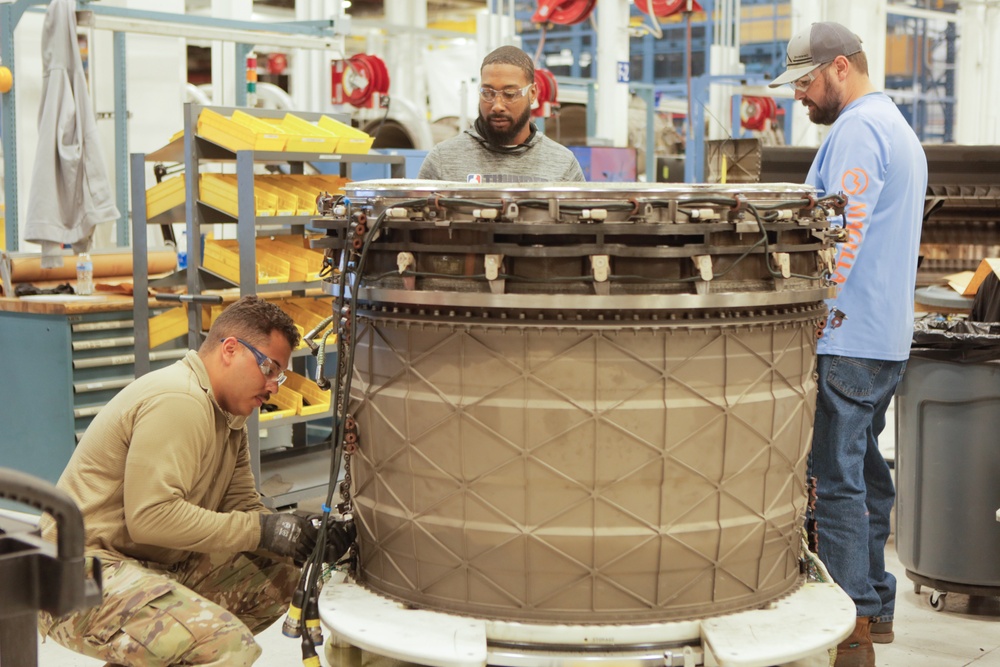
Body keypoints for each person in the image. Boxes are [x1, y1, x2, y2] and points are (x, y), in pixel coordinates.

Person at [38, 296, 325, 666]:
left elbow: (241, 508)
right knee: (224, 644)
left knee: (288, 574)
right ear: (231, 349)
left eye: (279, 374)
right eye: (268, 369)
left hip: (143, 563)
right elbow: (151, 517)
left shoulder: (228, 417)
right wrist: (263, 530)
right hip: (78, 571)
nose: (274, 386)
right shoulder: (180, 400)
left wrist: (298, 536)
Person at [769, 22, 927, 667]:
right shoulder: (896, 126)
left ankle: (850, 626)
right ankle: (878, 606)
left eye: (805, 81)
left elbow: (844, 230)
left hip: (847, 336)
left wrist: (812, 310)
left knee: (835, 482)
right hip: (884, 336)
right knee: (866, 475)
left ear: (839, 68)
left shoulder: (859, 128)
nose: (799, 97)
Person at [417, 45, 586, 183]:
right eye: (488, 93)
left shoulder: (563, 163)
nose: (497, 106)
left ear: (532, 93)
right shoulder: (443, 159)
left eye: (510, 94)